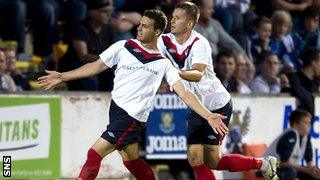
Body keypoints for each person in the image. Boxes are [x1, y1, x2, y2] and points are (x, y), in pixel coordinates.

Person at [38, 9, 229, 180]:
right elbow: (95, 66)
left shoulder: (163, 63)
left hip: (131, 118)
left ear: (156, 32)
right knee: (132, 161)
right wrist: (62, 76)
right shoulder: (123, 46)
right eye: (140, 24)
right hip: (116, 110)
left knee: (94, 154)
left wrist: (208, 115)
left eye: (145, 26)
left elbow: (185, 93)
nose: (139, 29)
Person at [157, 2, 277, 180]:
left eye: (177, 18)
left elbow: (197, 74)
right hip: (198, 107)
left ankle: (262, 163)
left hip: (217, 104)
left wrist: (173, 73)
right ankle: (263, 164)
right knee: (195, 158)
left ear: (189, 24)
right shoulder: (164, 41)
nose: (172, 21)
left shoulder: (200, 43)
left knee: (213, 160)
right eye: (172, 17)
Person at [264, 109, 320, 180]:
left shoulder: (305, 137)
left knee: (314, 173)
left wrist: (313, 171)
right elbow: (283, 163)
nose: (309, 125)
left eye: (309, 123)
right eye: (305, 123)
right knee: (290, 172)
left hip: (282, 168)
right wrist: (306, 170)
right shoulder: (291, 135)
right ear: (295, 124)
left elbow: (309, 160)